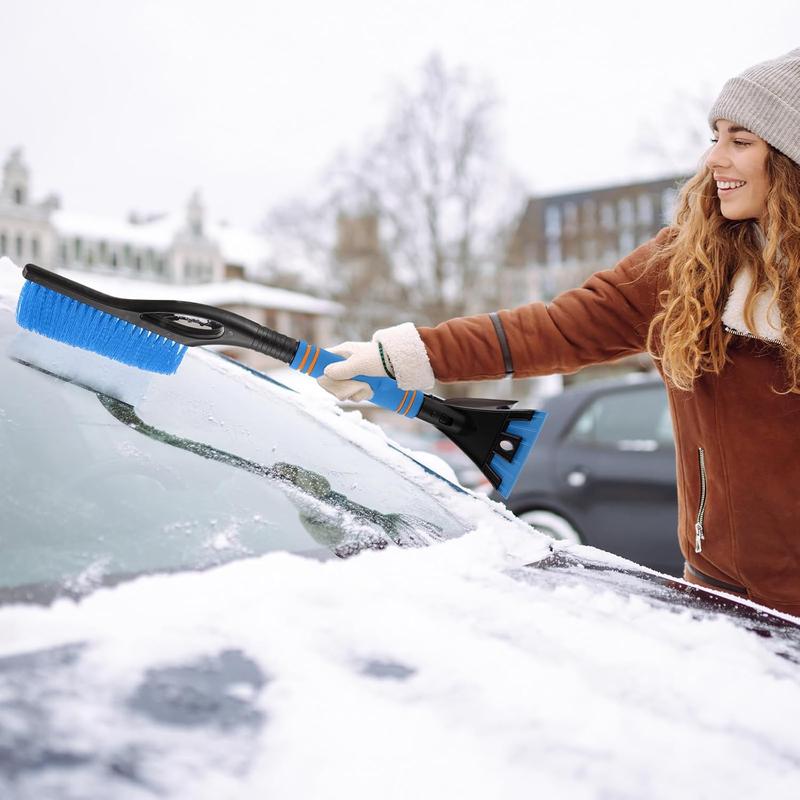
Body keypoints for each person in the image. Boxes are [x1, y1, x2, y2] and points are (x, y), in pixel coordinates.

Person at [317, 47, 800, 616]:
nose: (713, 157)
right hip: (716, 594)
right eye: (715, 134)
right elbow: (557, 329)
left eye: (740, 141)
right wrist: (400, 357)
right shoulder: (688, 266)